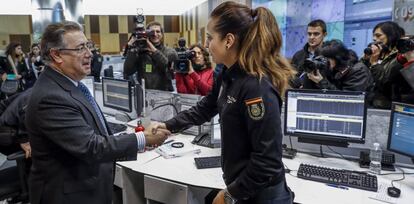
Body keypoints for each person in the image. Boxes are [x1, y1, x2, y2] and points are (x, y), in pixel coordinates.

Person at [151, 2, 295, 203]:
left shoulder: (256, 87)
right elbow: (207, 107)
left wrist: (229, 195)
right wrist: (168, 125)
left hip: (261, 195)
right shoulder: (228, 74)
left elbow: (267, 162)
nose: (206, 44)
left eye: (210, 38)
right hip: (242, 188)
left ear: (228, 40)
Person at [25, 21, 170, 204]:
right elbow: (91, 146)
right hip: (69, 195)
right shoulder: (51, 97)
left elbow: (94, 134)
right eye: (80, 48)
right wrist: (142, 139)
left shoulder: (69, 85)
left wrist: (133, 140)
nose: (89, 54)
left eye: (88, 45)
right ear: (57, 55)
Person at [367, 21, 411, 109]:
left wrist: (374, 63)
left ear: (391, 35)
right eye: (374, 36)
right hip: (373, 103)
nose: (374, 39)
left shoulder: (401, 55)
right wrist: (366, 59)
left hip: (389, 106)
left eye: (378, 35)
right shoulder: (380, 54)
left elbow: (384, 82)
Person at [123, 21, 178, 91]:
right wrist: (131, 50)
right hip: (145, 94)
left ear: (162, 34)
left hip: (165, 94)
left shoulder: (170, 52)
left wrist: (154, 51)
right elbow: (127, 71)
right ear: (146, 34)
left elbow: (171, 74)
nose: (155, 34)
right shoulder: (140, 52)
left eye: (158, 31)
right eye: (151, 32)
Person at [306, 39, 374, 91]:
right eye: (321, 59)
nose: (323, 62)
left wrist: (321, 82)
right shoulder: (331, 68)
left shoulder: (358, 71)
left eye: (326, 59)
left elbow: (348, 99)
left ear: (337, 58)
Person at [291, 19, 327, 88]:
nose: (311, 37)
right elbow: (291, 76)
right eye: (309, 34)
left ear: (324, 35)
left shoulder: (329, 55)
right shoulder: (298, 55)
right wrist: (298, 83)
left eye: (316, 34)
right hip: (300, 94)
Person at [0, 89, 32, 158]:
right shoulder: (43, 90)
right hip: (8, 134)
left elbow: (4, 104)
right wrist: (24, 140)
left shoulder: (38, 87)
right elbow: (25, 109)